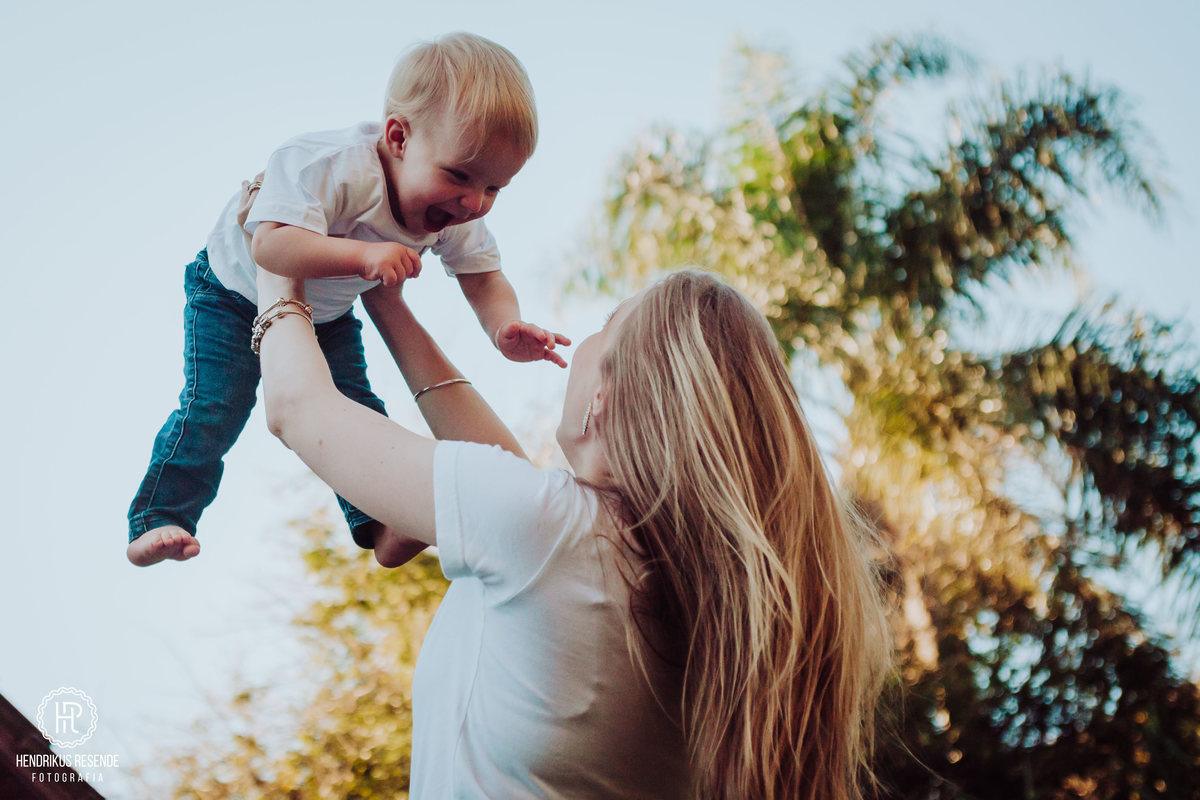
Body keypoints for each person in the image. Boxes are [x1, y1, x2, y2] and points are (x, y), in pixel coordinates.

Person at [255, 263, 892, 798]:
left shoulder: (550, 534)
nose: (581, 342)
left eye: (605, 325)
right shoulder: (678, 592)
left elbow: (297, 405)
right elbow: (511, 488)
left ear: (605, 399)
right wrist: (386, 302)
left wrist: (275, 246)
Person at [126, 33, 567, 567]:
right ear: (399, 137)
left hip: (327, 312)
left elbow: (483, 278)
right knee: (216, 405)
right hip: (231, 293)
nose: (474, 202)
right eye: (459, 176)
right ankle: (159, 515)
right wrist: (363, 257)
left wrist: (505, 327)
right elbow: (270, 244)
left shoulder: (457, 214)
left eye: (496, 188)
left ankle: (380, 523)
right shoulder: (329, 165)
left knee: (357, 409)